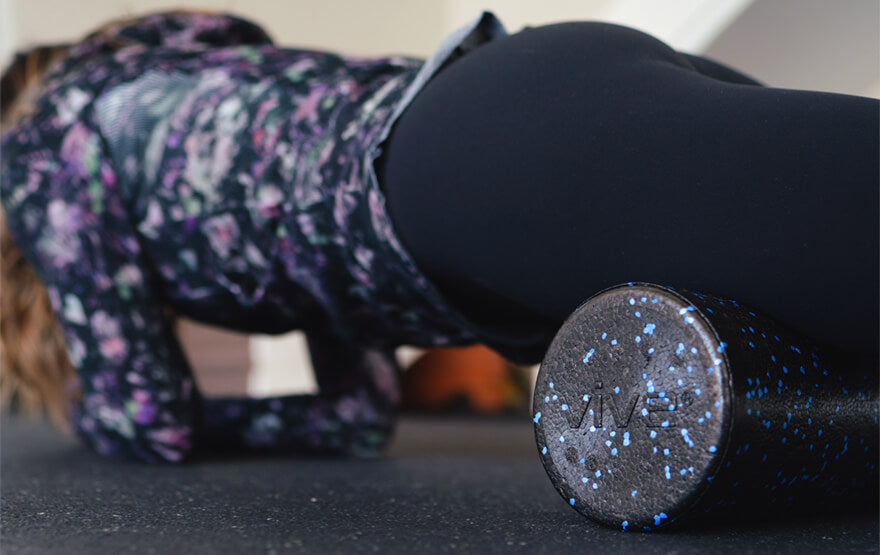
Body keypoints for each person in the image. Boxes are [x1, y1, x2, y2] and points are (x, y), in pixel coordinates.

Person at [1, 11, 876, 464]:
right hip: (517, 91)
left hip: (486, 161)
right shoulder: (182, 79)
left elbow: (140, 418)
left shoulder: (42, 148)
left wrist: (133, 416)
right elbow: (356, 411)